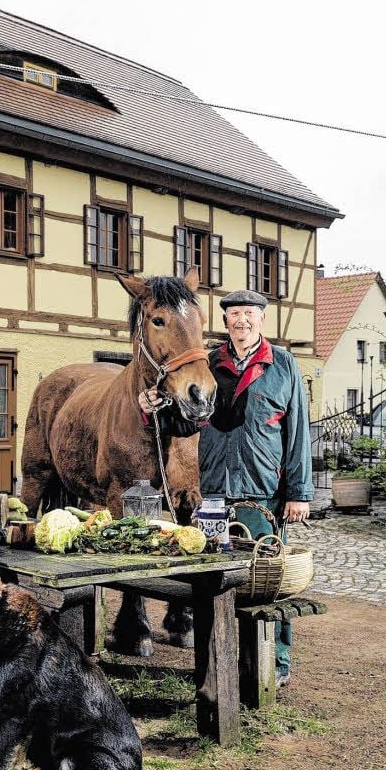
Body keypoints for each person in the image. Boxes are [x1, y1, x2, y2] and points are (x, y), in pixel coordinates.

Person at [138, 288, 312, 687]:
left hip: (263, 491)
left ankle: (275, 663)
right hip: (214, 492)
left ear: (261, 319)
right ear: (226, 321)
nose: (241, 321)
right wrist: (152, 412)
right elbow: (185, 424)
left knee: (268, 579)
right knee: (213, 578)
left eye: (249, 314)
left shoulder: (282, 365)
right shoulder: (209, 364)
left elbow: (298, 431)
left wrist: (299, 493)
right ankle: (217, 662)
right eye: (234, 315)